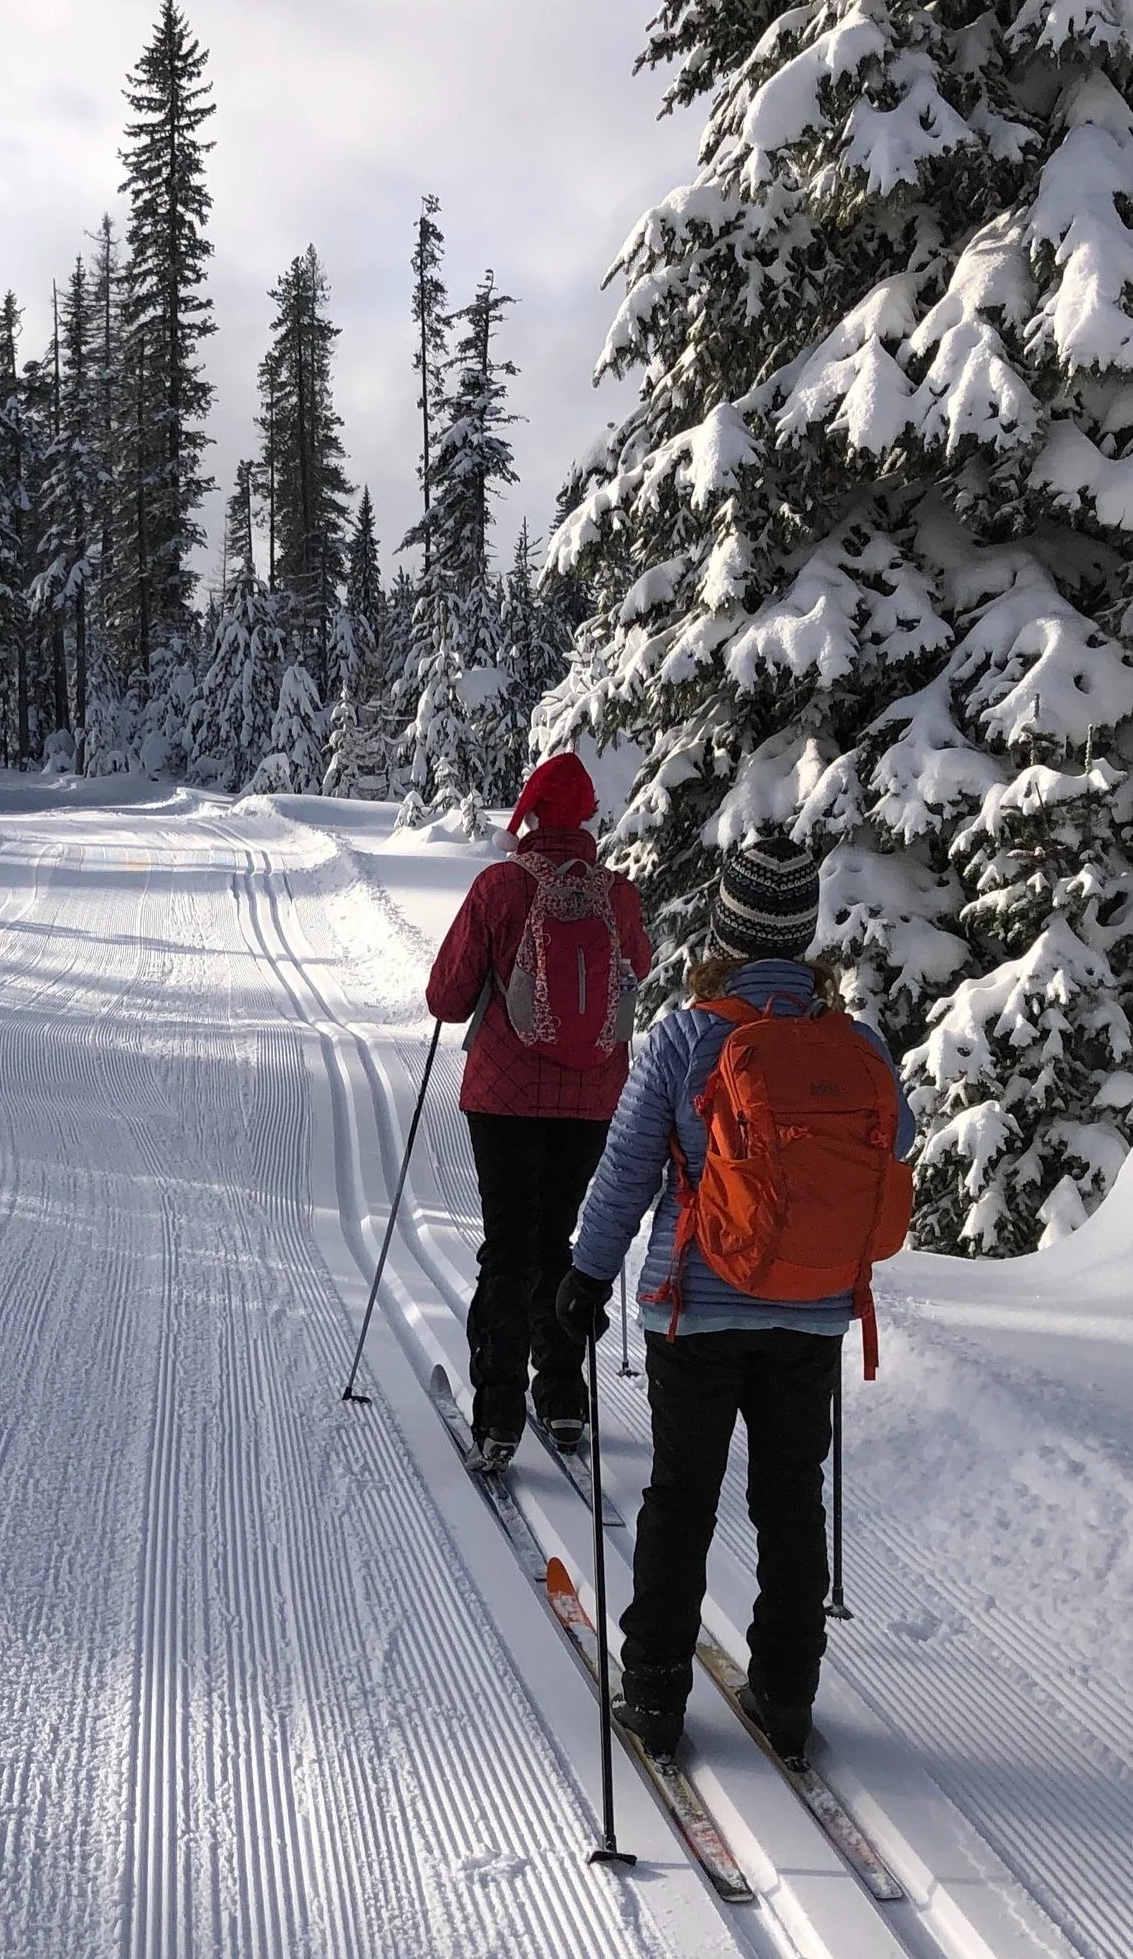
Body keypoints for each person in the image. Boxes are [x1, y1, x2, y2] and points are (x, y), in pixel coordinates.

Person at [555, 831, 914, 1765]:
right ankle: (786, 1699)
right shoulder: (859, 1045)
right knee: (790, 1500)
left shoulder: (684, 1037)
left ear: (726, 924)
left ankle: (656, 1698)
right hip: (814, 1312)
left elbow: (629, 1169)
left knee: (682, 1497)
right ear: (801, 935)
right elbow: (895, 1146)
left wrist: (588, 1274)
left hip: (695, 1306)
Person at [425, 752, 652, 1469]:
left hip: (504, 1096)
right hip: (591, 1098)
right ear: (585, 816)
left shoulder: (498, 886)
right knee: (561, 1242)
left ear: (527, 817)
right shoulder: (618, 895)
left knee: (509, 1246)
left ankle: (497, 1416)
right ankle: (562, 1399)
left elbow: (447, 998)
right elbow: (636, 971)